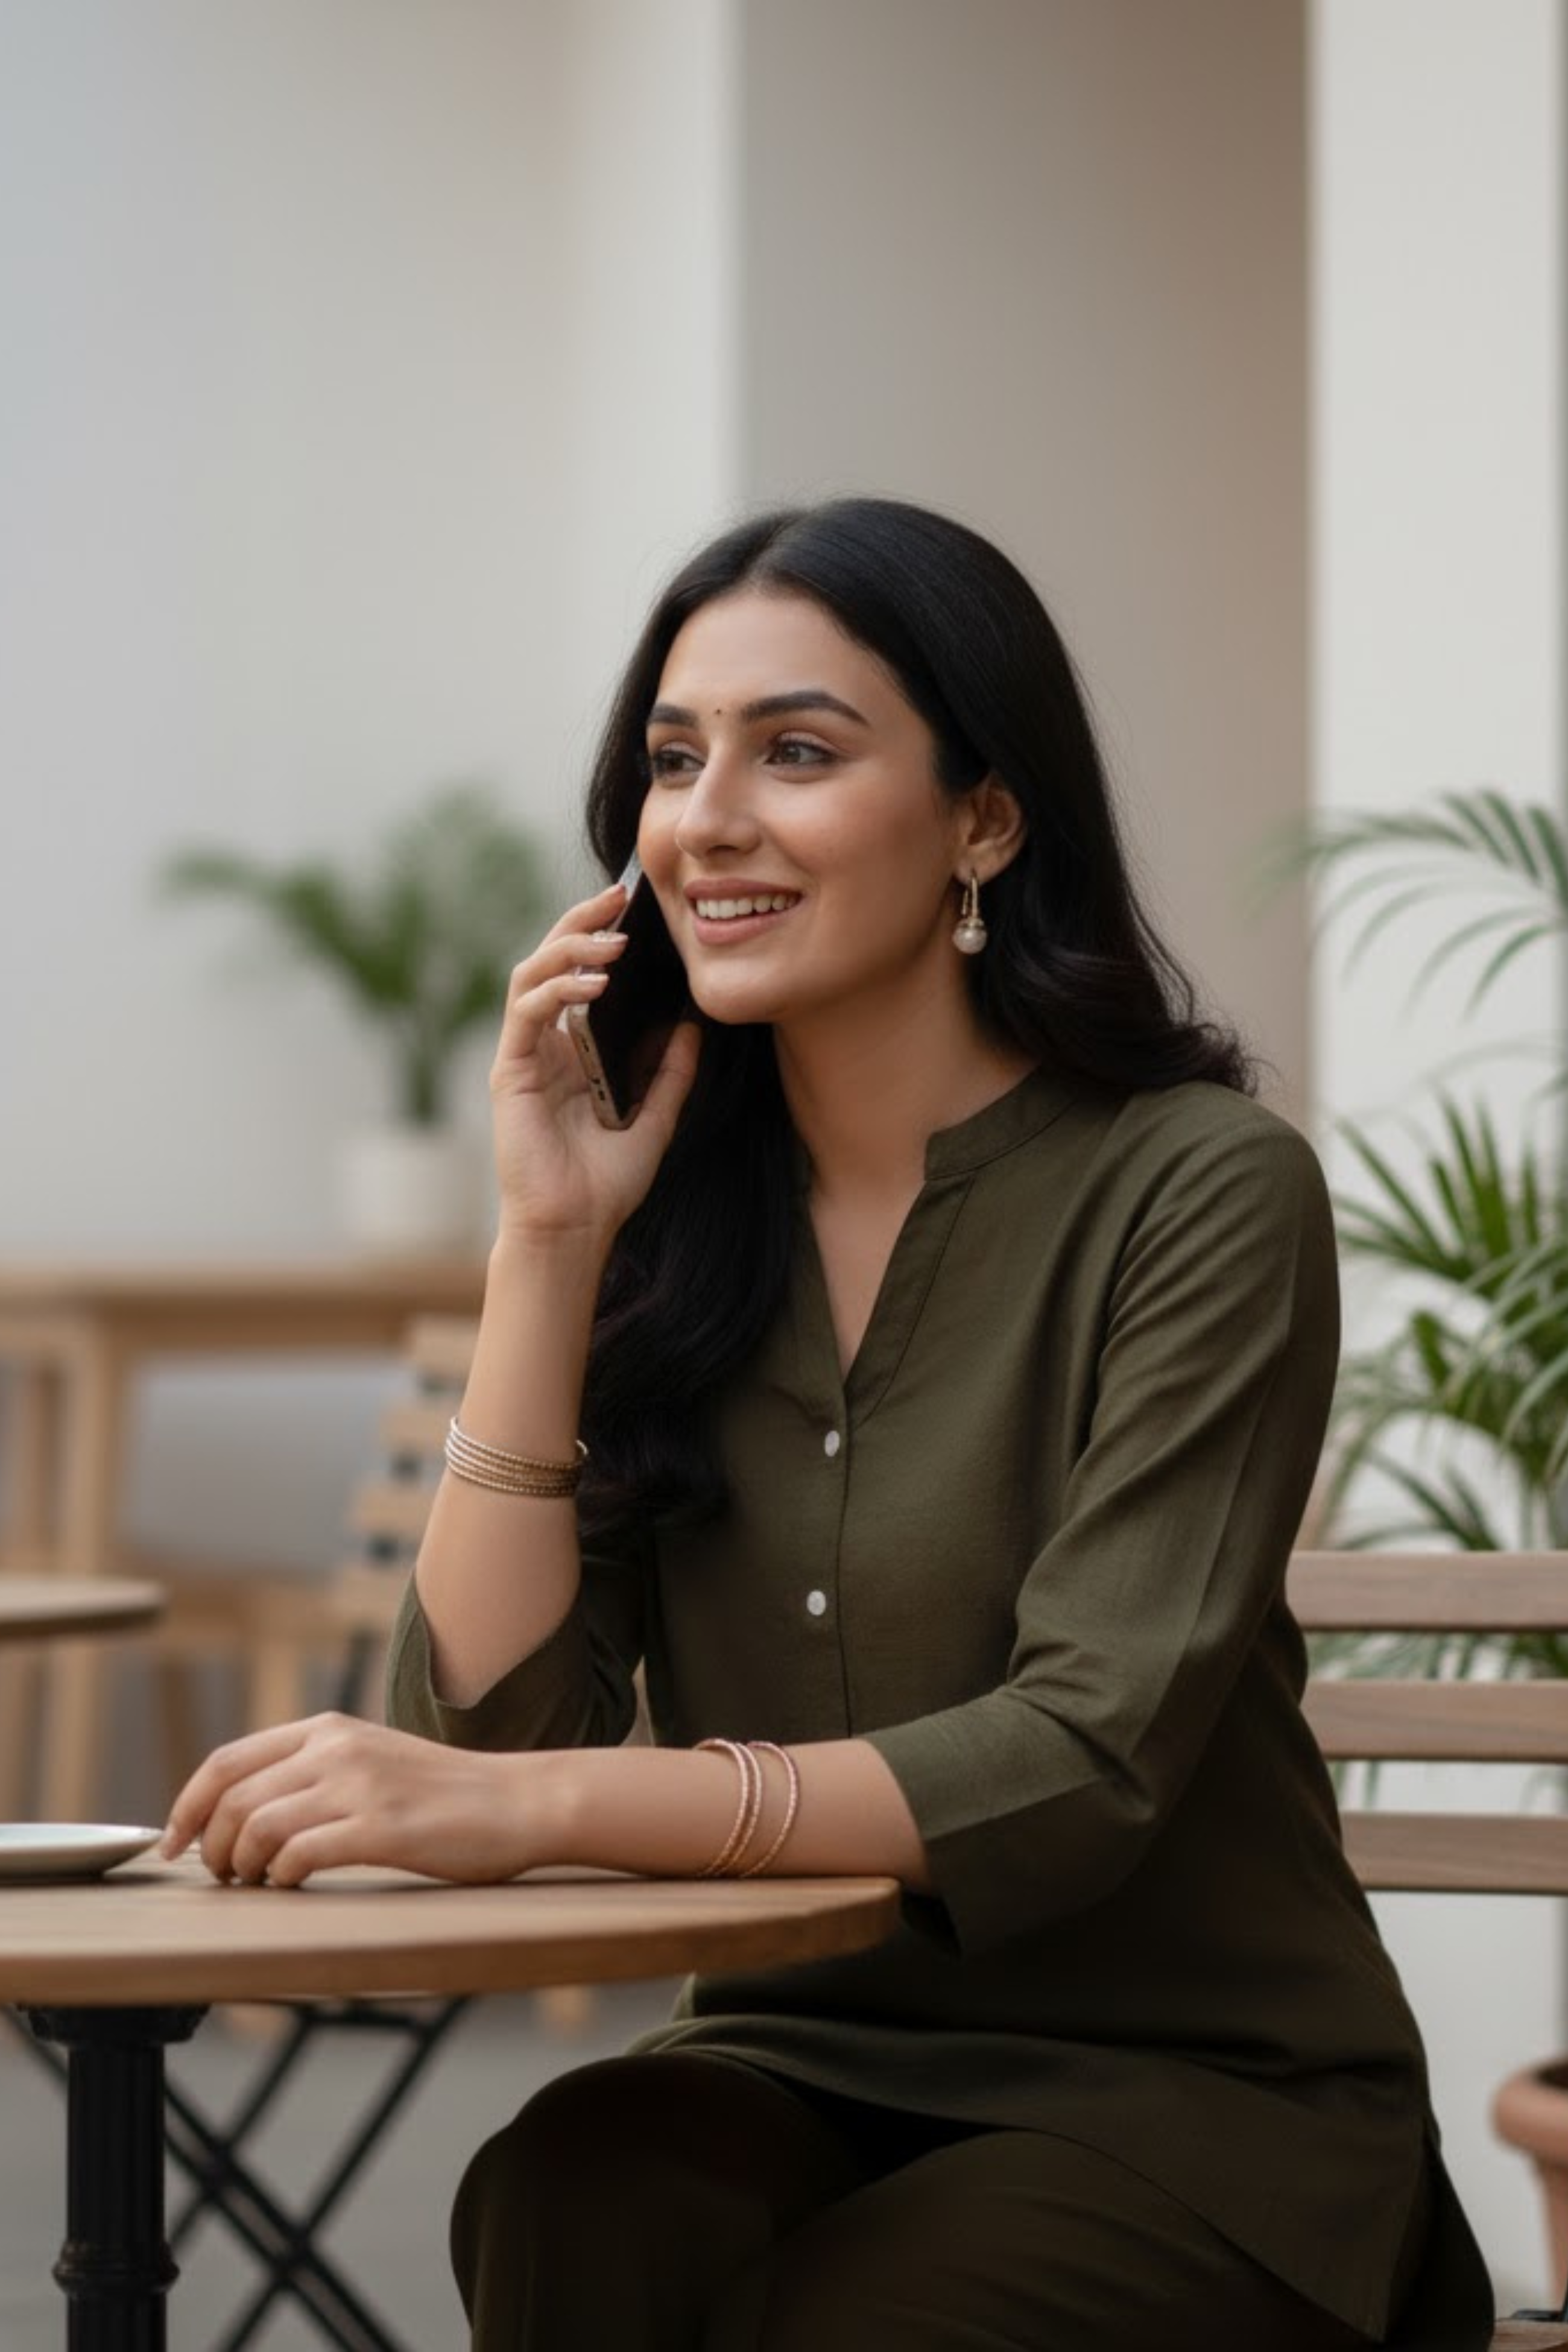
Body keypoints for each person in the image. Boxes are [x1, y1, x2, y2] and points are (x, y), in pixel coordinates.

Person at [164, 497, 1494, 2351]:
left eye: (796, 751)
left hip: (1197, 2102)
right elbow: (485, 1726)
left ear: (985, 819)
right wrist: (547, 1241)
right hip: (796, 2050)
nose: (708, 818)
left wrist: (529, 1808)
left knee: (859, 2315)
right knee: (569, 2185)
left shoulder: (1198, 1189)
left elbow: (1082, 1757)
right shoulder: (667, 1219)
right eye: (674, 759)